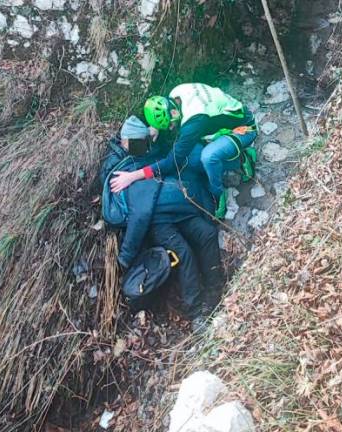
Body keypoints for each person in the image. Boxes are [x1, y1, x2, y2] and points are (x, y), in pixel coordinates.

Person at [100, 116, 225, 328]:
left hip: (177, 209)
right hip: (158, 222)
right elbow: (139, 215)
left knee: (207, 233)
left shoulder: (146, 152)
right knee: (183, 253)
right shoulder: (122, 175)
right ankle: (195, 312)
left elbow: (168, 153)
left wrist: (154, 131)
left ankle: (215, 289)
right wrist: (125, 257)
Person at [110, 83, 258, 219]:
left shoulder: (194, 121)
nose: (171, 128)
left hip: (243, 129)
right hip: (222, 123)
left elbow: (171, 162)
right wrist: (156, 127)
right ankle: (241, 158)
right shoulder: (176, 93)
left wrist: (132, 176)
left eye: (170, 125)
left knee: (208, 157)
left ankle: (218, 194)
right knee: (193, 158)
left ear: (174, 113)